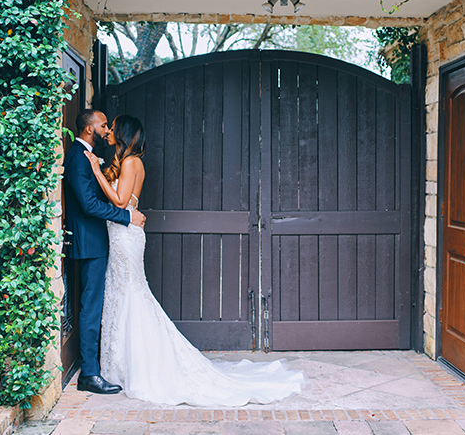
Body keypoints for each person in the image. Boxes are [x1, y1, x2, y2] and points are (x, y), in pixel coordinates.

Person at [84, 114, 306, 406]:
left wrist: (97, 172)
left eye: (113, 127)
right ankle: (120, 364)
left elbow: (121, 202)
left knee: (131, 295)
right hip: (122, 236)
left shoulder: (130, 162)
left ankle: (141, 365)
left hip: (126, 238)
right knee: (121, 295)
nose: (109, 131)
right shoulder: (126, 161)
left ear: (123, 134)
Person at [63, 109, 146, 395]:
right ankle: (90, 374)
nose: (106, 130)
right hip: (90, 242)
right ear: (90, 130)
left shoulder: (92, 157)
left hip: (100, 241)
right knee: (91, 307)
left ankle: (95, 369)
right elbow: (88, 205)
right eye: (102, 126)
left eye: (110, 127)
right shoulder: (77, 158)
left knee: (97, 305)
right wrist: (125, 217)